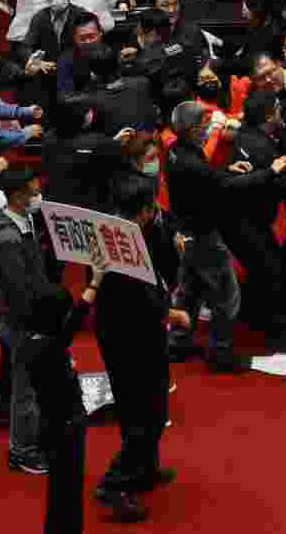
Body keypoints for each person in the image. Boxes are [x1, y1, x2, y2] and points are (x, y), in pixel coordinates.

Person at [165, 100, 286, 371]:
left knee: (190, 291)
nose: (209, 129)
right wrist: (270, 171)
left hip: (185, 231)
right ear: (190, 129)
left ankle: (177, 341)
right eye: (204, 125)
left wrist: (226, 170)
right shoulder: (191, 162)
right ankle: (220, 352)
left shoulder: (177, 151)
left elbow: (211, 178)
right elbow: (225, 187)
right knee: (226, 295)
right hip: (202, 235)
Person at [92, 176, 187, 523]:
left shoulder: (121, 229)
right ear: (144, 211)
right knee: (141, 412)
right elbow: (136, 296)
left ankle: (144, 468)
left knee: (153, 405)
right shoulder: (119, 244)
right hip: (128, 336)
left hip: (136, 332)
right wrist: (169, 312)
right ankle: (115, 484)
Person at [226, 91, 286, 355]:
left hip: (243, 221)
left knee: (262, 272)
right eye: (276, 108)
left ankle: (253, 319)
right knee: (274, 274)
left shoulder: (245, 135)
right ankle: (281, 339)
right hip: (247, 222)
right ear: (267, 115)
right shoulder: (262, 148)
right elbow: (279, 185)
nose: (280, 112)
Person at [26, 281, 102, 534]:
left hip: (53, 426)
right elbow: (75, 320)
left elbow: (71, 323)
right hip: (66, 428)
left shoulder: (34, 343)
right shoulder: (50, 348)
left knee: (61, 491)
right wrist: (95, 282)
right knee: (67, 492)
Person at [0, 168, 54, 474]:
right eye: (33, 191)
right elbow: (18, 291)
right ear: (17, 195)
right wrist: (37, 322)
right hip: (20, 321)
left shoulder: (24, 220)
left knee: (30, 383)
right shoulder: (6, 235)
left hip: (29, 316)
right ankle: (21, 450)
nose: (38, 195)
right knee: (25, 389)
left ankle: (30, 440)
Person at [14, 0, 92, 110]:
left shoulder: (81, 15)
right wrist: (35, 61)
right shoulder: (40, 18)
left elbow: (91, 45)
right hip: (48, 80)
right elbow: (25, 46)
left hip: (76, 78)